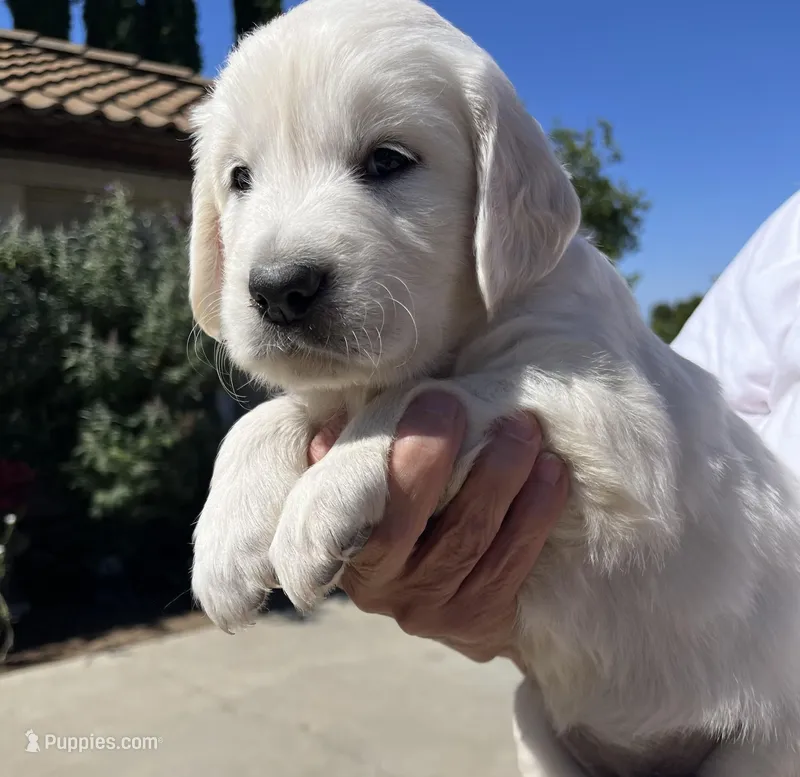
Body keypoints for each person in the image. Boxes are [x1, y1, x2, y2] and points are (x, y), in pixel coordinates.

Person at [308, 188, 800, 773]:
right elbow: (695, 443)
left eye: (386, 164)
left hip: (762, 727)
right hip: (581, 728)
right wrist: (500, 599)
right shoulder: (785, 243)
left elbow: (631, 445)